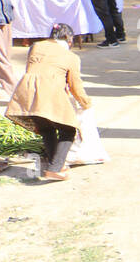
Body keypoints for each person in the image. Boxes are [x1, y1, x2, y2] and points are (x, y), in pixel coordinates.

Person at [5, 23, 90, 181]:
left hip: (27, 92)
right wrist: (86, 104)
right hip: (50, 91)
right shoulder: (72, 57)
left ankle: (55, 164)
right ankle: (55, 168)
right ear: (69, 40)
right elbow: (75, 86)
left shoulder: (36, 46)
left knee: (46, 127)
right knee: (68, 129)